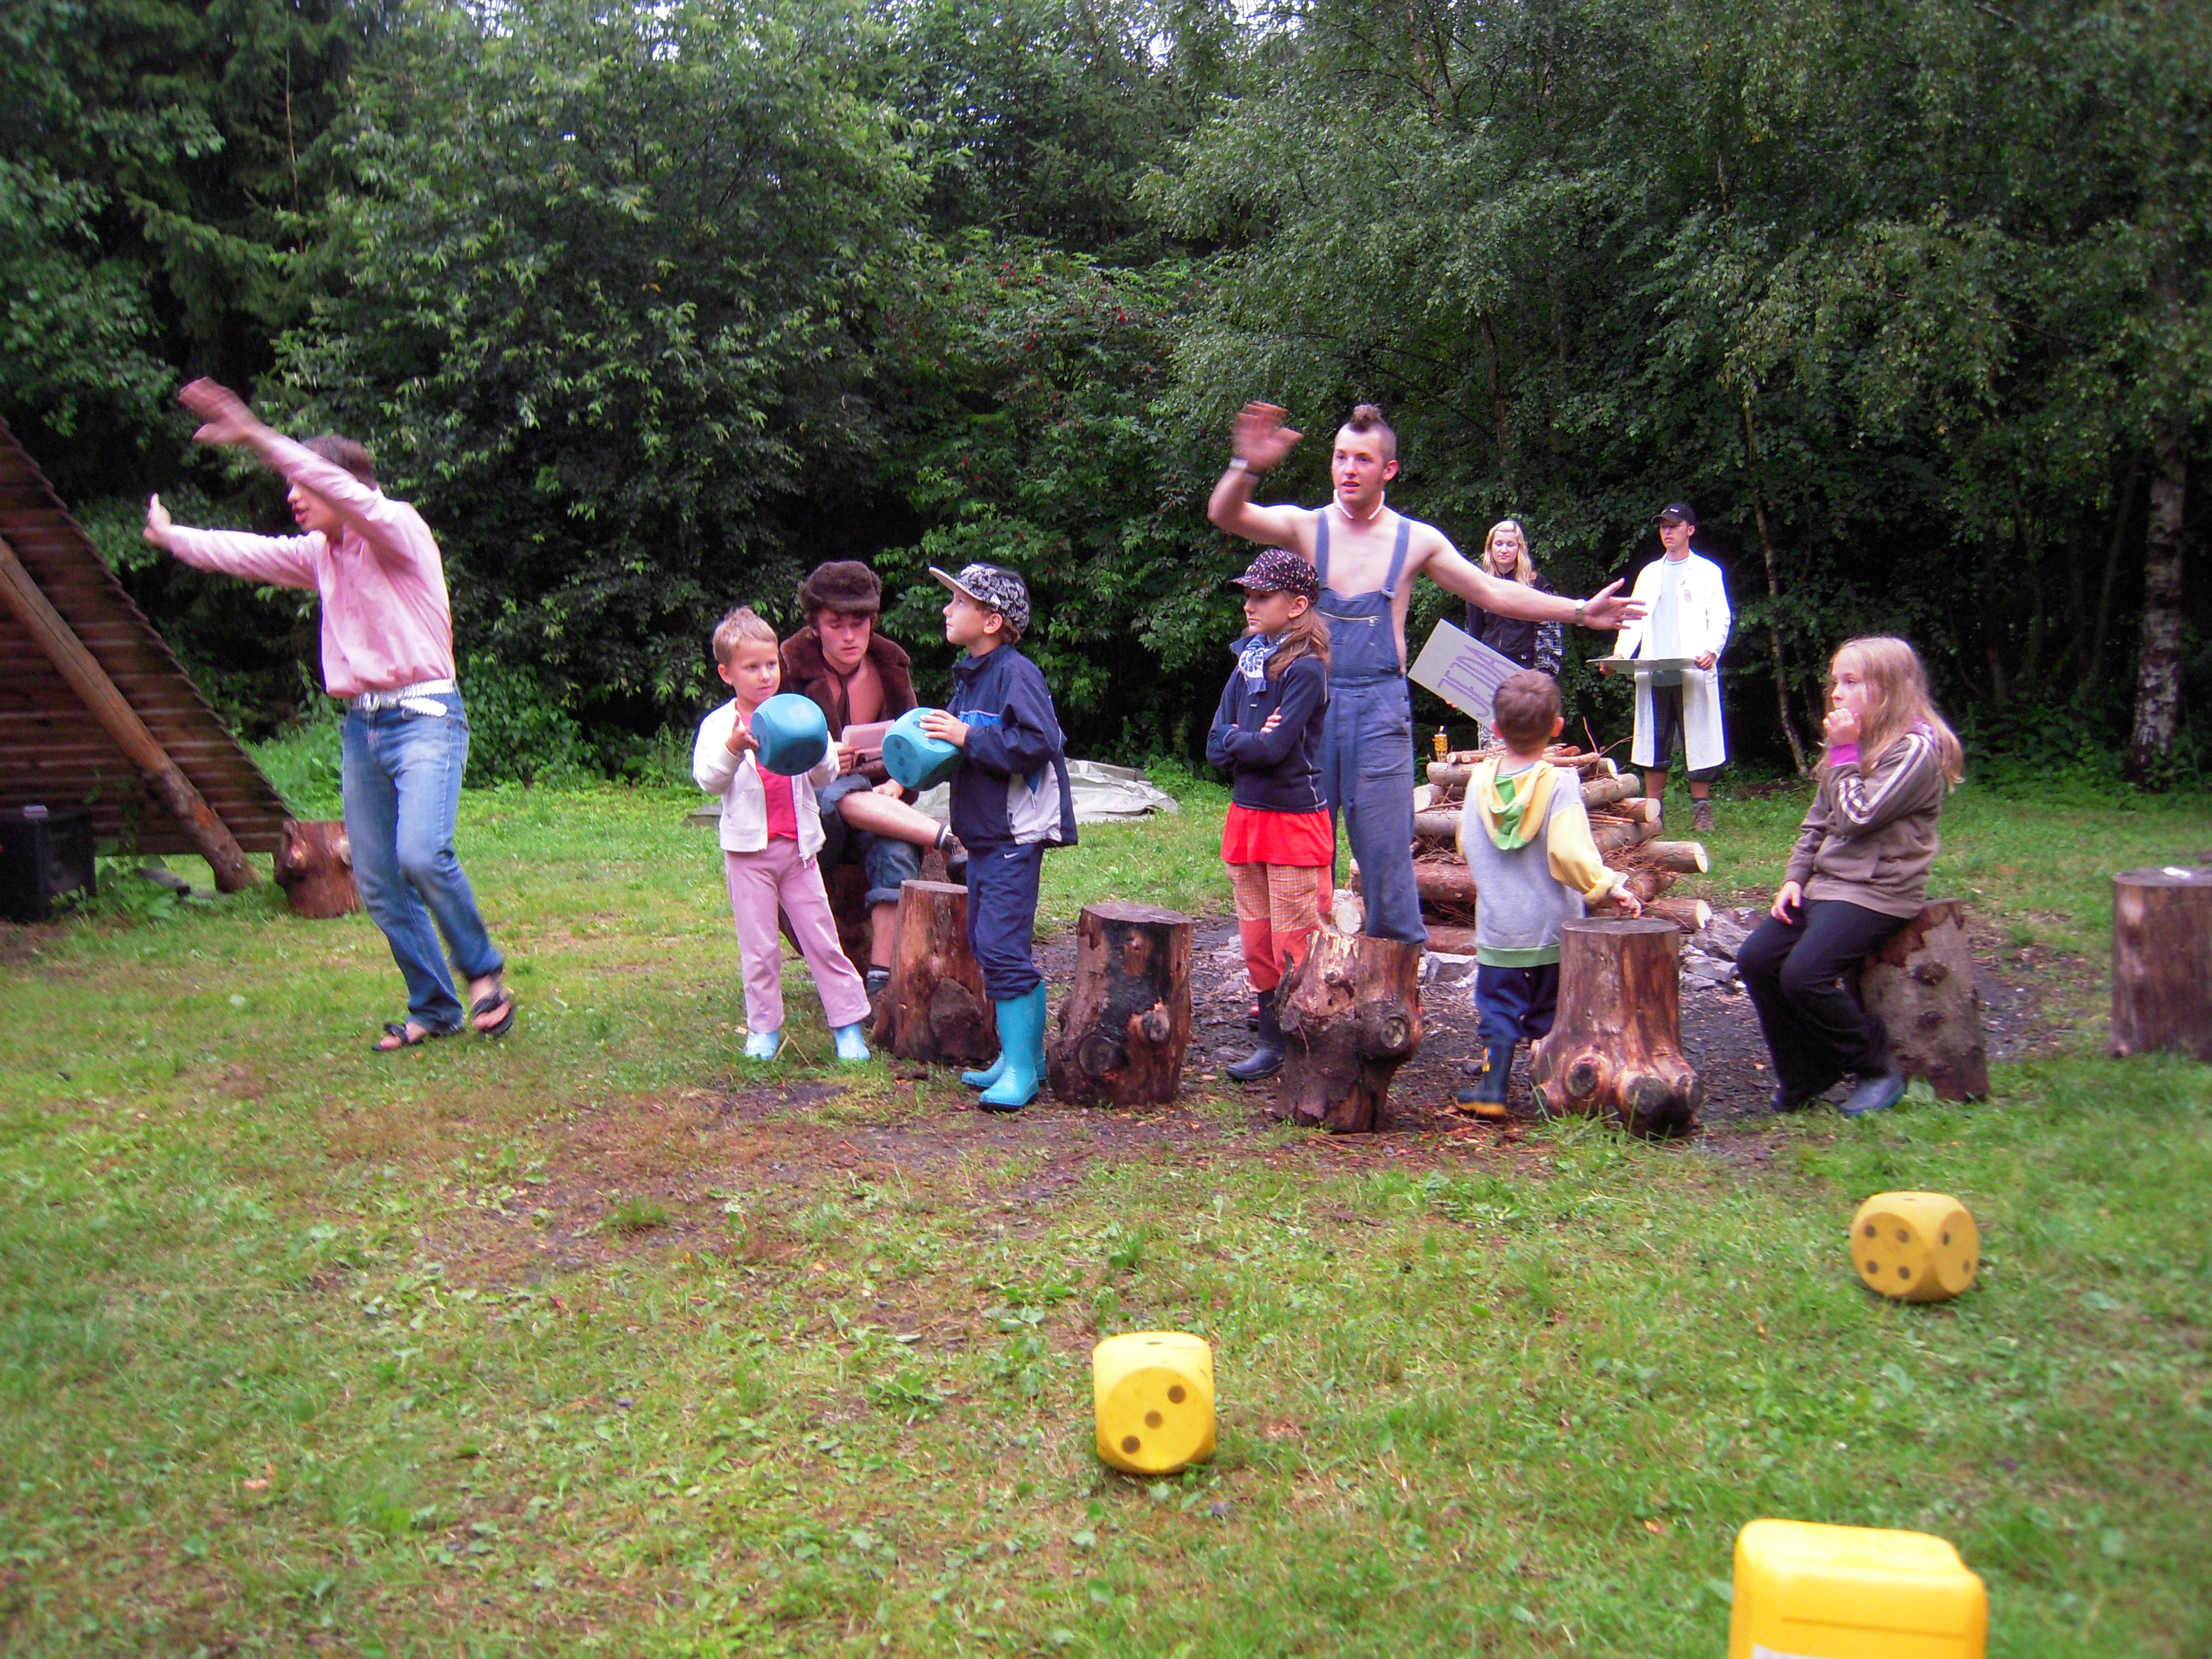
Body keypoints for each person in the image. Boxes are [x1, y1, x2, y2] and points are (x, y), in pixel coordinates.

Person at [142, 379, 513, 1051]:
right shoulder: (322, 555)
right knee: (377, 879)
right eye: (292, 485)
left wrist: (255, 435)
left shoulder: (396, 530)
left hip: (426, 716)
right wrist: (173, 539)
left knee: (421, 854)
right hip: (363, 729)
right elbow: (246, 554)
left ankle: (484, 974)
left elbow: (343, 494)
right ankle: (435, 1006)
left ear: (344, 488)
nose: (293, 496)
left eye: (304, 485)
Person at [1207, 402, 1643, 944]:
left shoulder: (1415, 540)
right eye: (1340, 457)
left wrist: (1578, 611)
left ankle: (1395, 975)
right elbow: (1227, 513)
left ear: (1388, 469)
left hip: (1379, 712)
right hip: (1306, 706)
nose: (1348, 469)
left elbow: (1491, 592)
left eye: (1363, 459)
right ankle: (1299, 973)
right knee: (1302, 844)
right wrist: (1246, 465)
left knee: (1386, 851)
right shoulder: (1308, 527)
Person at [1738, 636, 1964, 1118]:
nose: (1836, 693)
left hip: (1880, 889)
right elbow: (1819, 820)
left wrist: (1844, 753)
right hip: (1828, 885)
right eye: (1835, 682)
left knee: (1805, 975)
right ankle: (1805, 1074)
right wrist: (1795, 877)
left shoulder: (1914, 750)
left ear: (1889, 688)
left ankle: (1876, 1068)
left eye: (1851, 682)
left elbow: (1858, 817)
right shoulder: (1854, 742)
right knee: (1756, 958)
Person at [917, 564, 1076, 1112]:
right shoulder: (971, 677)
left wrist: (968, 735)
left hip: (1015, 833)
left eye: (959, 602)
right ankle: (1020, 1057)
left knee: (1003, 947)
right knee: (986, 942)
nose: (947, 610)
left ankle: (1024, 1072)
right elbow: (949, 749)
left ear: (992, 620)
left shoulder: (1015, 673)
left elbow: (1038, 742)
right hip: (983, 835)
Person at [1453, 671, 1641, 1117]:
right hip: (1552, 931)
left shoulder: (1479, 782)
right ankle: (1553, 1090)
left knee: (1498, 1011)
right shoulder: (1559, 783)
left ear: (1496, 729)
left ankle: (1492, 1089)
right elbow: (1570, 853)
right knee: (1551, 1012)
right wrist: (1605, 886)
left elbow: (1464, 842)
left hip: (1499, 931)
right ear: (1557, 728)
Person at [691, 607, 873, 1064]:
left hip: (800, 852)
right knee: (759, 950)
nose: (764, 675)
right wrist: (733, 750)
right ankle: (763, 1029)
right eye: (751, 667)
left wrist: (820, 746)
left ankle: (848, 1025)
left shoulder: (797, 713)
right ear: (727, 673)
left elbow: (824, 776)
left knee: (822, 940)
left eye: (771, 664)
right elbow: (709, 780)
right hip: (748, 856)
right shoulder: (721, 726)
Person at [780, 560, 962, 996]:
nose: (849, 636)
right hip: (813, 813)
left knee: (894, 849)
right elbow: (773, 752)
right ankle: (948, 838)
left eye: (858, 624)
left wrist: (897, 785)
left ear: (872, 622)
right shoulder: (787, 668)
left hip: (881, 809)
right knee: (837, 791)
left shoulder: (889, 665)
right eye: (835, 625)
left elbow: (916, 749)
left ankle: (881, 977)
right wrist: (824, 760)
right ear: (815, 627)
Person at [1204, 550, 1333, 1082]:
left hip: (1293, 822)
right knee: (1257, 936)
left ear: (1297, 605)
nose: (1249, 605)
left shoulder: (1307, 670)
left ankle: (1307, 1041)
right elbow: (1214, 747)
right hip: (1246, 816)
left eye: (1262, 596)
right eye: (1248, 595)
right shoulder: (1248, 662)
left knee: (1296, 938)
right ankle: (1272, 1041)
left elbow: (1275, 749)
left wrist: (1244, 739)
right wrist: (1246, 738)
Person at [1601, 502, 1730, 833]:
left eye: (1674, 526)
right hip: (1655, 671)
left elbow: (1720, 617)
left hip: (1692, 670)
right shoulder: (1649, 574)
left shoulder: (1707, 572)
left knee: (1698, 742)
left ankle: (1702, 810)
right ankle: (1654, 812)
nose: (1668, 532)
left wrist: (1711, 651)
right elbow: (1634, 619)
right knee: (1655, 743)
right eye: (1663, 527)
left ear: (1690, 530)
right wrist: (1620, 655)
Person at [1463, 519, 1562, 676]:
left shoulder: (1536, 584)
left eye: (1510, 544)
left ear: (1519, 548)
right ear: (1490, 547)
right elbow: (1473, 632)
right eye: (1499, 544)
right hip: (1488, 665)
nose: (1504, 550)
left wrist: (1544, 673)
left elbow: (1549, 633)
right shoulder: (1481, 584)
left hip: (1524, 668)